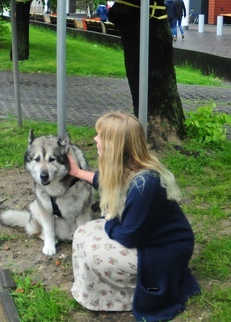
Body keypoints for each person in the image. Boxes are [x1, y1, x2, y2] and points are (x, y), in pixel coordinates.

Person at [68, 112, 201, 322]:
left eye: (100, 135)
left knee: (95, 253)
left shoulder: (145, 184)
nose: (95, 139)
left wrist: (109, 219)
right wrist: (77, 173)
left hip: (166, 249)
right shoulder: (128, 167)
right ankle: (96, 295)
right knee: (82, 233)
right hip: (150, 238)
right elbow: (104, 181)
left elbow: (128, 237)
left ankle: (134, 293)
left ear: (114, 145)